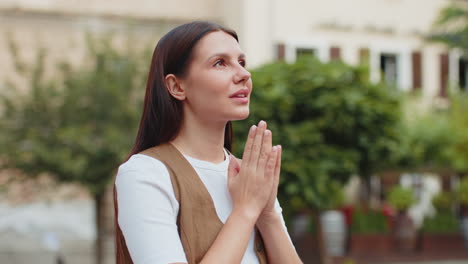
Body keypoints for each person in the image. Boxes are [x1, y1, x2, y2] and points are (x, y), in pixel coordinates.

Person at [113, 21, 303, 264]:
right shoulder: (145, 173)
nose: (244, 74)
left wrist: (267, 215)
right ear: (176, 86)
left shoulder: (249, 178)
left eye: (241, 62)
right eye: (220, 63)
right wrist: (245, 210)